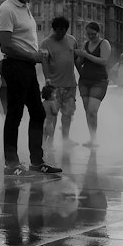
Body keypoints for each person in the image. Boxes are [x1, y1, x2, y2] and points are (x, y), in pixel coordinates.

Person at [0, 0, 61, 177]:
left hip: (27, 66)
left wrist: (36, 54)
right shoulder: (7, 9)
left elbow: (21, 40)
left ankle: (36, 161)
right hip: (15, 66)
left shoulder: (25, 8)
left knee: (38, 113)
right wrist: (31, 56)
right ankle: (11, 163)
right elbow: (5, 46)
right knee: (15, 114)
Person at [39, 15, 79, 148]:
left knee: (68, 113)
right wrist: (47, 78)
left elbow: (77, 60)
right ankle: (49, 140)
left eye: (64, 31)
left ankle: (65, 139)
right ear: (54, 29)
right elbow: (44, 62)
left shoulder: (72, 40)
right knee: (52, 115)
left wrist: (83, 74)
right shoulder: (46, 43)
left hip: (70, 84)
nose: (61, 33)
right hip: (54, 85)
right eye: (58, 31)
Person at [76, 21, 111, 147]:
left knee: (92, 110)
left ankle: (94, 139)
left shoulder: (104, 43)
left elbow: (104, 61)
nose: (90, 36)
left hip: (99, 81)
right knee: (87, 111)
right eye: (88, 34)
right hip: (85, 80)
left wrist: (86, 55)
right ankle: (92, 138)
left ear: (98, 32)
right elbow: (80, 62)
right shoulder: (86, 44)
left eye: (93, 34)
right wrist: (79, 57)